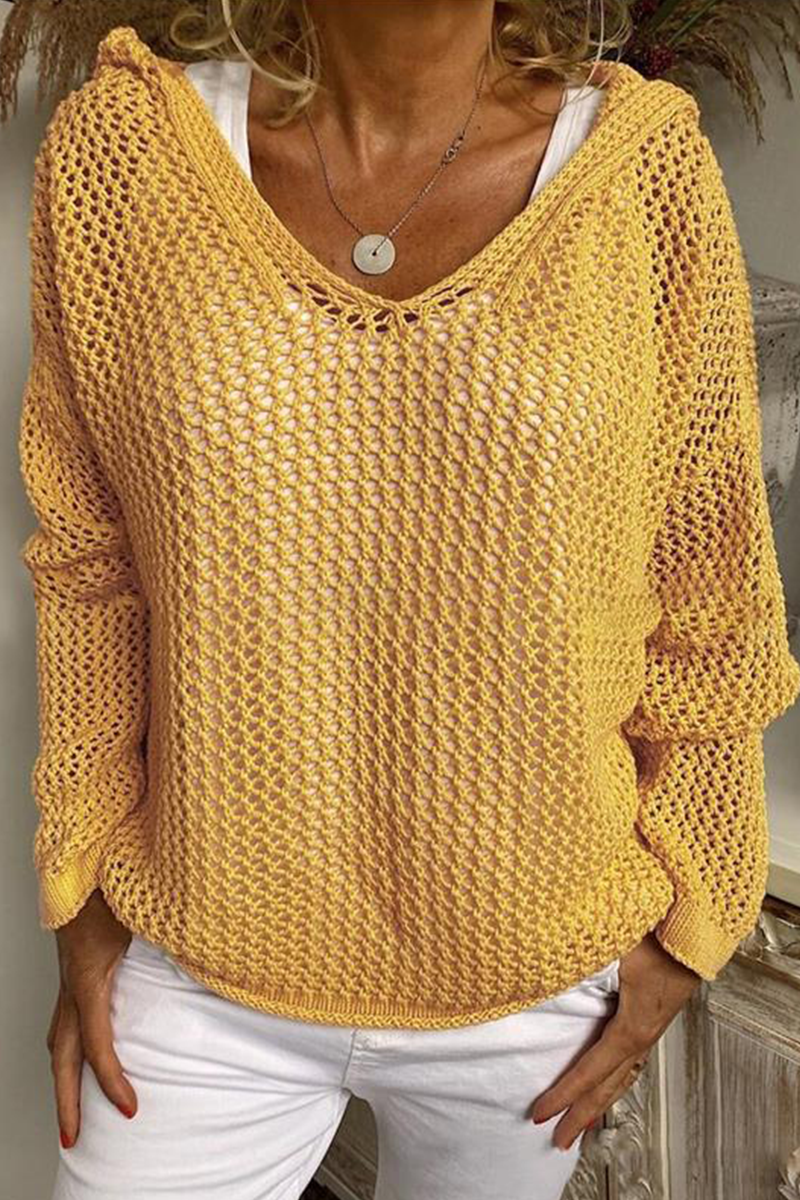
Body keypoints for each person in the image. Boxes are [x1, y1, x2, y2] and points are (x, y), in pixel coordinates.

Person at [16, 2, 800, 1198]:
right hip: (196, 955)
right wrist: (78, 881)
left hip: (532, 984)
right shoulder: (124, 154)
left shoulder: (640, 169)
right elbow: (91, 561)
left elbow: (709, 581)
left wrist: (694, 916)